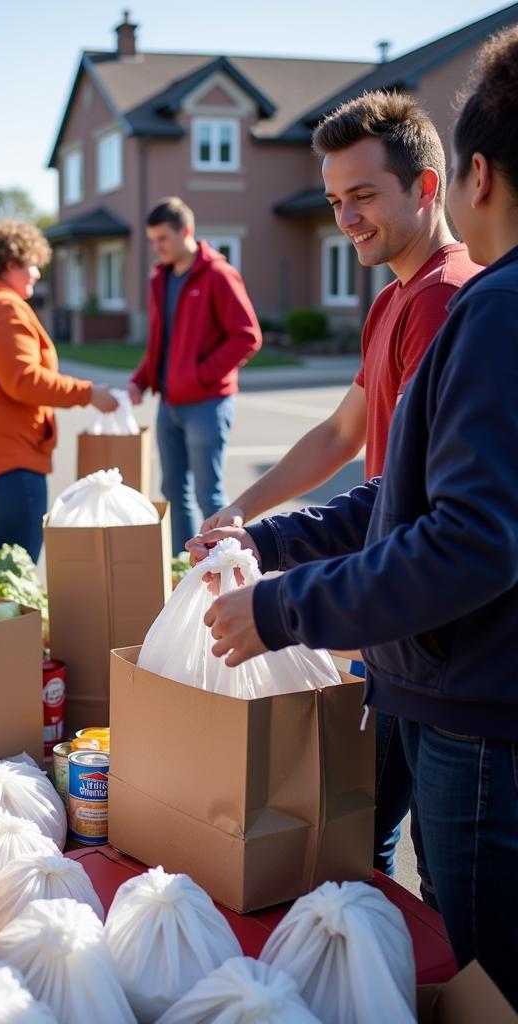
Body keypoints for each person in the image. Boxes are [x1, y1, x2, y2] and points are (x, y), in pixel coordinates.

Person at [194, 25, 518, 1006]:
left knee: (479, 966)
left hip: (476, 707)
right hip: (440, 678)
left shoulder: (483, 306)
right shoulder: (466, 306)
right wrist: (269, 533)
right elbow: (402, 487)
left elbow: (468, 537)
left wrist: (284, 606)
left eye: (360, 195)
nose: (344, 220)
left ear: (465, 178)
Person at [0, 218, 118, 562]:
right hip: (2, 461)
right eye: (32, 264)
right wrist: (88, 393)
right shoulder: (3, 308)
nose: (37, 273)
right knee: (13, 575)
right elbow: (24, 380)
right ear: (10, 263)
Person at [125, 197, 262, 551]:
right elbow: (162, 342)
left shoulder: (218, 274)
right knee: (173, 491)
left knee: (208, 492)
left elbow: (247, 337)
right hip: (168, 403)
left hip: (208, 403)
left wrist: (200, 375)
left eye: (162, 239)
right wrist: (140, 379)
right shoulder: (161, 278)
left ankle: (223, 567)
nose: (156, 248)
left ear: (186, 231)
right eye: (152, 240)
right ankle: (184, 565)